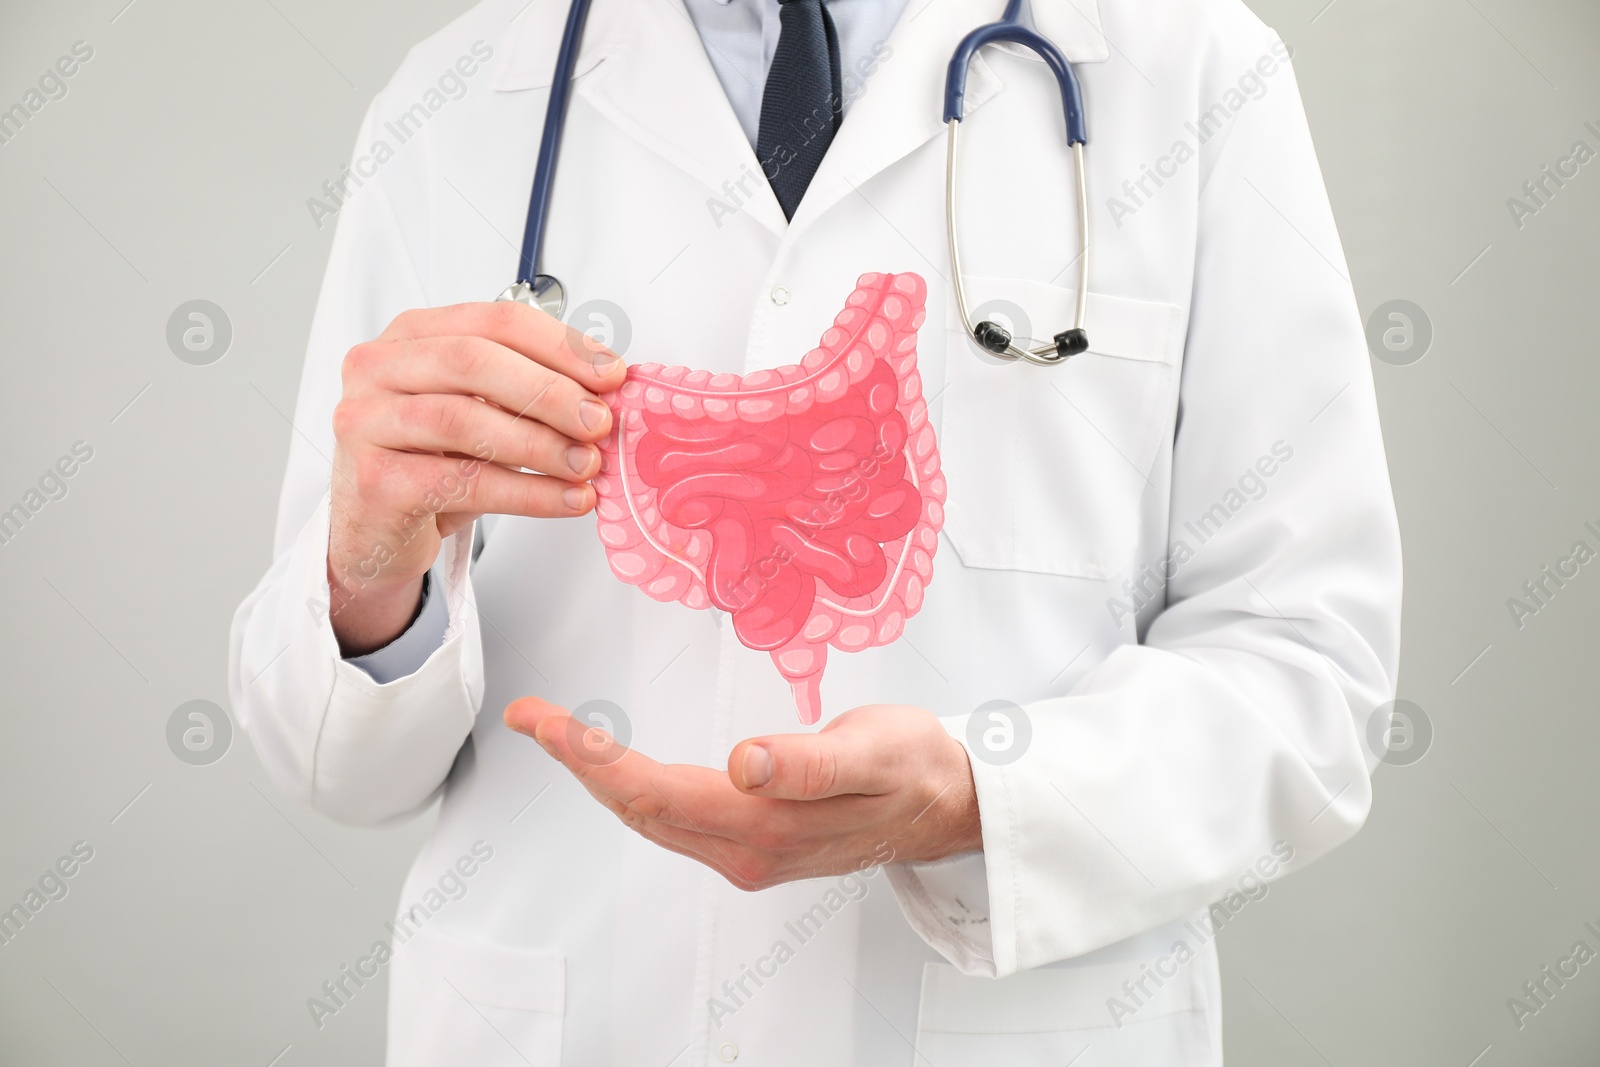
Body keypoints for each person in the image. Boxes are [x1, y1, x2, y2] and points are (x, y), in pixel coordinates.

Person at [229, 0, 1402, 1063]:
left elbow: (1309, 674)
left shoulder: (1195, 71)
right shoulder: (454, 104)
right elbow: (334, 763)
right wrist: (367, 575)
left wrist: (981, 794)